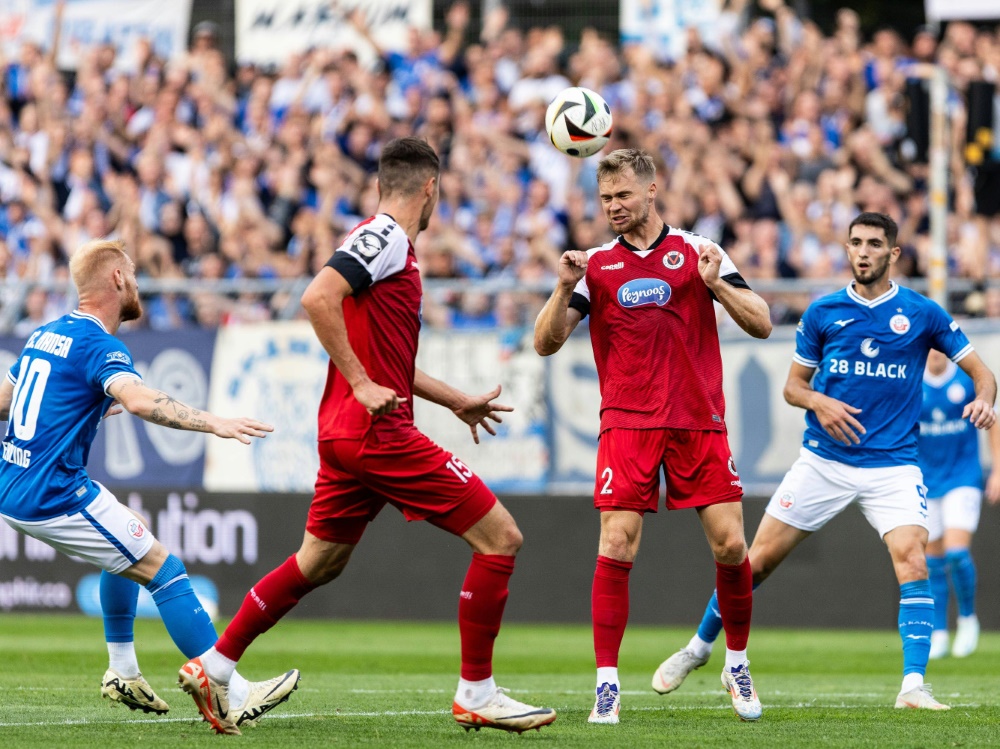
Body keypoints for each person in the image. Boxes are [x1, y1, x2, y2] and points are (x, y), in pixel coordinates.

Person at [179, 137, 557, 735]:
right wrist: (357, 382)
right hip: (376, 433)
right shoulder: (384, 239)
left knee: (318, 562)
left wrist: (453, 398)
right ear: (429, 188)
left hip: (344, 436)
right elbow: (316, 296)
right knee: (500, 538)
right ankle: (477, 692)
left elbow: (386, 357)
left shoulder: (382, 245)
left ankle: (217, 665)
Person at [653, 212, 997, 711]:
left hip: (893, 465)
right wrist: (819, 401)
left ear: (893, 254)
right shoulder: (824, 312)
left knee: (914, 558)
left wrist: (985, 398)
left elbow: (982, 372)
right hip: (824, 462)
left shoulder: (922, 314)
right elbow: (794, 386)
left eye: (874, 244)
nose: (862, 251)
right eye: (855, 242)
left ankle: (913, 686)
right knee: (756, 562)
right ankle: (698, 648)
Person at [0, 239, 300, 732]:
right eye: (134, 274)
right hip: (50, 492)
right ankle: (229, 687)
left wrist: (80, 402)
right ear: (117, 279)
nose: (139, 283)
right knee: (165, 569)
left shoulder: (45, 333)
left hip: (15, 480)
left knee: (128, 534)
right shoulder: (100, 343)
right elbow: (140, 401)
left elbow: (9, 400)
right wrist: (214, 423)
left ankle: (123, 671)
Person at [533, 148, 773, 724]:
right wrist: (563, 288)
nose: (613, 207)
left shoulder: (697, 251)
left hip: (697, 419)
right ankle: (607, 685)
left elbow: (763, 322)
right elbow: (546, 342)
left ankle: (735, 663)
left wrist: (718, 287)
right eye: (605, 198)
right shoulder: (594, 265)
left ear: (651, 190)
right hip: (627, 422)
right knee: (616, 544)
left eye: (622, 196)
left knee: (730, 546)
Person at [920, 348, 1000, 659]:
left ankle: (967, 619)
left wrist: (996, 470)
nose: (934, 354)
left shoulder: (966, 382)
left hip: (963, 477)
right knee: (932, 560)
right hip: (926, 481)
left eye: (940, 347)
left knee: (956, 553)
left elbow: (992, 422)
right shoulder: (913, 382)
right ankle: (939, 630)